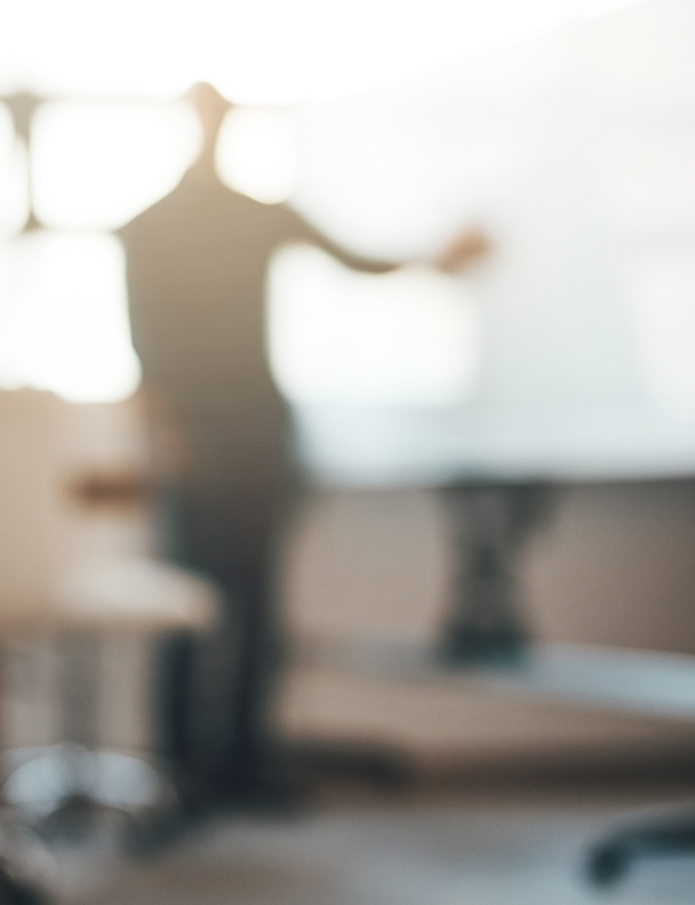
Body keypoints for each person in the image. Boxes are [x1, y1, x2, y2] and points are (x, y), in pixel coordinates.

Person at [117, 82, 488, 807]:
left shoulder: (256, 214)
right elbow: (145, 343)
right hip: (192, 437)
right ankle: (179, 768)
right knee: (190, 604)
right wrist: (164, 436)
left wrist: (440, 261)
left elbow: (357, 261)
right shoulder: (149, 225)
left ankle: (244, 761)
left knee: (259, 604)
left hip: (260, 428)